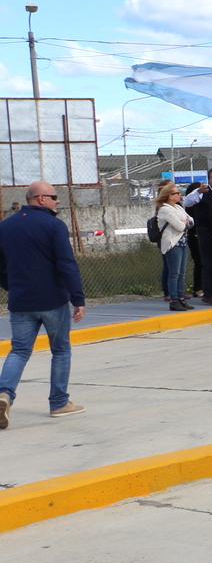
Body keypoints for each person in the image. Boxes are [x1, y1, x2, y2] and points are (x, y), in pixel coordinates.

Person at [0, 181, 88, 425]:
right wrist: (77, 298)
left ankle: (4, 393)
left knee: (19, 350)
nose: (57, 201)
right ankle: (59, 403)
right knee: (60, 351)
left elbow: (1, 264)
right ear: (40, 199)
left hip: (21, 301)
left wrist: (9, 286)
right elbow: (66, 263)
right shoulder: (53, 225)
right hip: (52, 301)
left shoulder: (5, 226)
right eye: (54, 197)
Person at [182, 169, 212, 304]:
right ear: (209, 179)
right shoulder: (202, 193)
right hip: (204, 231)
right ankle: (208, 293)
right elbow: (187, 202)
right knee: (208, 262)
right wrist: (198, 191)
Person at [154, 182, 195, 312]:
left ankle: (181, 297)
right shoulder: (165, 209)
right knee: (174, 273)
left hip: (182, 242)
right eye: (177, 193)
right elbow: (181, 226)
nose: (179, 195)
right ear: (170, 196)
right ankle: (174, 299)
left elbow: (191, 220)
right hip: (173, 243)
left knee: (182, 273)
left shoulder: (177, 208)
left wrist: (185, 222)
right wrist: (185, 222)